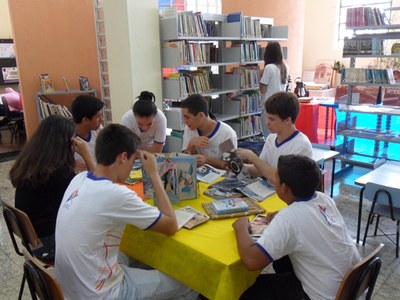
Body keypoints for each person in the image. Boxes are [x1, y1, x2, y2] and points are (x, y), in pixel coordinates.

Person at [55, 124, 198, 300]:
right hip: (104, 293)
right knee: (191, 283)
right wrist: (153, 174)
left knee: (139, 257)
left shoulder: (79, 179)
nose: (132, 167)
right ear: (123, 157)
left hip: (72, 288)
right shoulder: (117, 195)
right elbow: (170, 225)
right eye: (133, 161)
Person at [233, 154, 361, 300]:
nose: (274, 181)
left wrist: (240, 227)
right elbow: (309, 216)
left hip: (322, 295)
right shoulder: (324, 198)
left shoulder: (289, 219)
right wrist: (283, 215)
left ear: (284, 188)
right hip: (350, 286)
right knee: (282, 260)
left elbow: (251, 261)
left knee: (246, 292)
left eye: (276, 178)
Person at [9, 115, 95, 259]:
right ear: (65, 143)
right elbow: (97, 190)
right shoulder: (58, 173)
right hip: (48, 244)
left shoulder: (32, 163)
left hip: (33, 239)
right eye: (73, 140)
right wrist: (87, 155)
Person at [236, 91, 312, 186]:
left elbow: (281, 181)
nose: (267, 123)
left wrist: (252, 157)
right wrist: (237, 166)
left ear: (287, 120)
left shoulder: (301, 145)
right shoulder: (272, 137)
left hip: (288, 199)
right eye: (267, 118)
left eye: (272, 119)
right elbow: (261, 170)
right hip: (270, 192)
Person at [181, 94, 237, 168]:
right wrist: (191, 144)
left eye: (187, 117)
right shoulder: (190, 129)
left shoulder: (226, 133)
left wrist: (207, 160)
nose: (184, 122)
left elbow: (231, 166)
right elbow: (183, 163)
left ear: (201, 115)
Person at [259, 42, 289, 137]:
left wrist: (259, 76)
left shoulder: (269, 68)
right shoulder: (285, 67)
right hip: (281, 106)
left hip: (268, 106)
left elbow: (262, 90)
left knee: (268, 136)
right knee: (278, 135)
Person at [71, 94, 104, 172]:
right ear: (85, 120)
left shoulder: (98, 130)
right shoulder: (69, 139)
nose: (101, 120)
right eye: (98, 117)